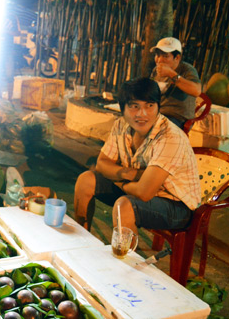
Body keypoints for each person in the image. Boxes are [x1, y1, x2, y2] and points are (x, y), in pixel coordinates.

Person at [74, 77, 200, 235]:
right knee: (86, 180)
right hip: (136, 187)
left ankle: (124, 259)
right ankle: (80, 239)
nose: (142, 114)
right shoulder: (121, 124)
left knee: (124, 207)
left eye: (150, 106)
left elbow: (144, 192)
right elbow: (102, 164)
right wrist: (131, 174)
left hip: (176, 205)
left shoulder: (170, 137)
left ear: (158, 107)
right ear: (122, 108)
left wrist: (121, 182)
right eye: (134, 106)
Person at [150, 37, 202, 129]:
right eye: (157, 55)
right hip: (158, 114)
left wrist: (171, 74)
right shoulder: (156, 70)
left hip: (178, 118)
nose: (159, 60)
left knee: (153, 130)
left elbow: (196, 91)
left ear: (177, 58)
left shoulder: (187, 70)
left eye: (165, 56)